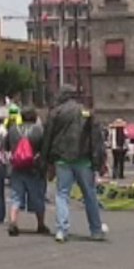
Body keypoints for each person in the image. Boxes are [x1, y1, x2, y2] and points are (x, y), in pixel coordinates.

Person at [41, 89, 106, 243]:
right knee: (89, 194)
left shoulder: (56, 113)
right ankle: (96, 230)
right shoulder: (86, 112)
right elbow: (96, 138)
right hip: (84, 159)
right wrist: (99, 161)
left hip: (62, 159)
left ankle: (62, 230)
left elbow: (48, 137)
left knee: (62, 194)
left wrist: (46, 160)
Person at [5, 107, 49, 236]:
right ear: (35, 117)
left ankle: (13, 222)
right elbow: (45, 149)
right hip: (34, 168)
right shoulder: (39, 130)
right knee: (38, 196)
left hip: (17, 167)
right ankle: (40, 224)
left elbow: (6, 146)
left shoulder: (13, 130)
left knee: (16, 196)